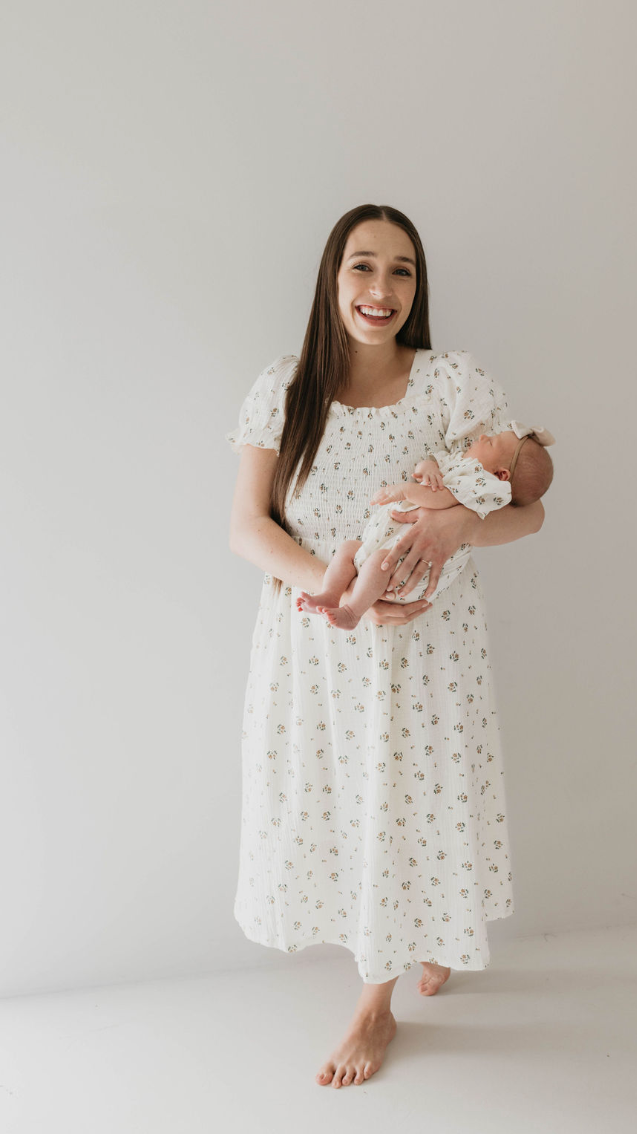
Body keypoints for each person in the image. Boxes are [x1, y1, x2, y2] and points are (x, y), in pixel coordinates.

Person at [226, 204, 546, 1089]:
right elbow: (247, 527)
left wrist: (454, 531)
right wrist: (337, 591)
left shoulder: (453, 382)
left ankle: (377, 1004)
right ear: (332, 278)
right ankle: (419, 935)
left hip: (426, 652)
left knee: (408, 808)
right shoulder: (283, 389)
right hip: (316, 643)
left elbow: (528, 509)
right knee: (343, 808)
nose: (381, 287)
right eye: (362, 266)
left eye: (402, 269)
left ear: (418, 286)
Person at [296, 423, 554, 629]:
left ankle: (352, 612)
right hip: (386, 543)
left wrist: (405, 491)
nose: (484, 436)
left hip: (408, 565)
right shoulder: (461, 465)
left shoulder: (481, 486)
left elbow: (441, 498)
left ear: (501, 475)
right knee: (348, 549)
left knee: (379, 562)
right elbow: (430, 468)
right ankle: (330, 595)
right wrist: (428, 467)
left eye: (492, 442)